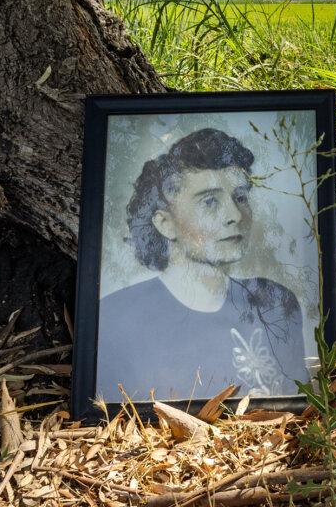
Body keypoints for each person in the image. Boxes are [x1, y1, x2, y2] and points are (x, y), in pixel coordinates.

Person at [95, 128, 311, 402]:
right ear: (166, 223)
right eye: (210, 201)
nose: (235, 215)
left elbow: (297, 406)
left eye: (240, 197)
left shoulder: (275, 303)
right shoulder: (115, 317)